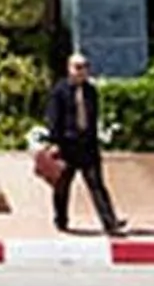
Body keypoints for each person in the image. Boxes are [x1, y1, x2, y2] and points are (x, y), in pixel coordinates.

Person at [44, 52, 126, 235]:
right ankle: (61, 220)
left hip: (87, 147)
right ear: (69, 68)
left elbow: (93, 118)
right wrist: (54, 142)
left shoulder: (91, 91)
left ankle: (110, 222)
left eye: (85, 67)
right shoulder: (60, 90)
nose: (82, 71)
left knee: (97, 185)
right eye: (78, 67)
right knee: (62, 186)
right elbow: (53, 117)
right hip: (67, 146)